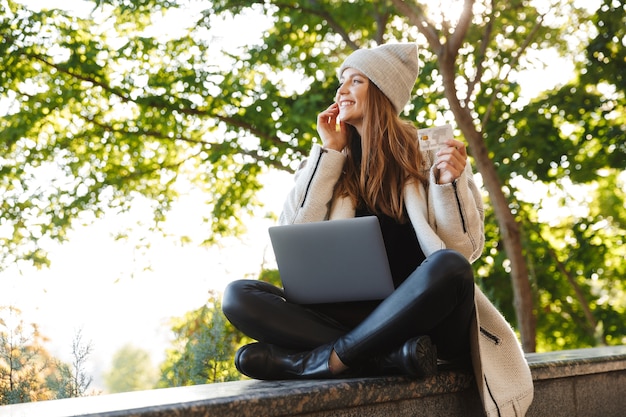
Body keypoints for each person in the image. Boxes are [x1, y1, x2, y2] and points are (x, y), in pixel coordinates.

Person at [222, 43, 533, 417]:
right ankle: (387, 359)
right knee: (239, 296)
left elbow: (462, 249)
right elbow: (294, 233)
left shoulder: (434, 155)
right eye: (341, 82)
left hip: (432, 324)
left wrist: (448, 184)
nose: (341, 91)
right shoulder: (333, 165)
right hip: (363, 320)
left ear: (383, 91)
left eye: (356, 80)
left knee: (448, 267)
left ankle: (332, 358)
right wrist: (328, 154)